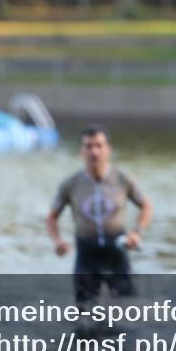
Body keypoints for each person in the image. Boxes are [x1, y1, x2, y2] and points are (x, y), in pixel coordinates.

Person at [46, 125, 153, 307]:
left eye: (99, 145)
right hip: (86, 256)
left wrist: (137, 232)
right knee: (84, 316)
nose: (94, 151)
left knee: (126, 313)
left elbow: (146, 206)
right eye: (88, 146)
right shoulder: (71, 184)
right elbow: (52, 217)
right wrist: (57, 241)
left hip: (117, 252)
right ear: (81, 151)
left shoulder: (122, 178)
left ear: (108, 149)